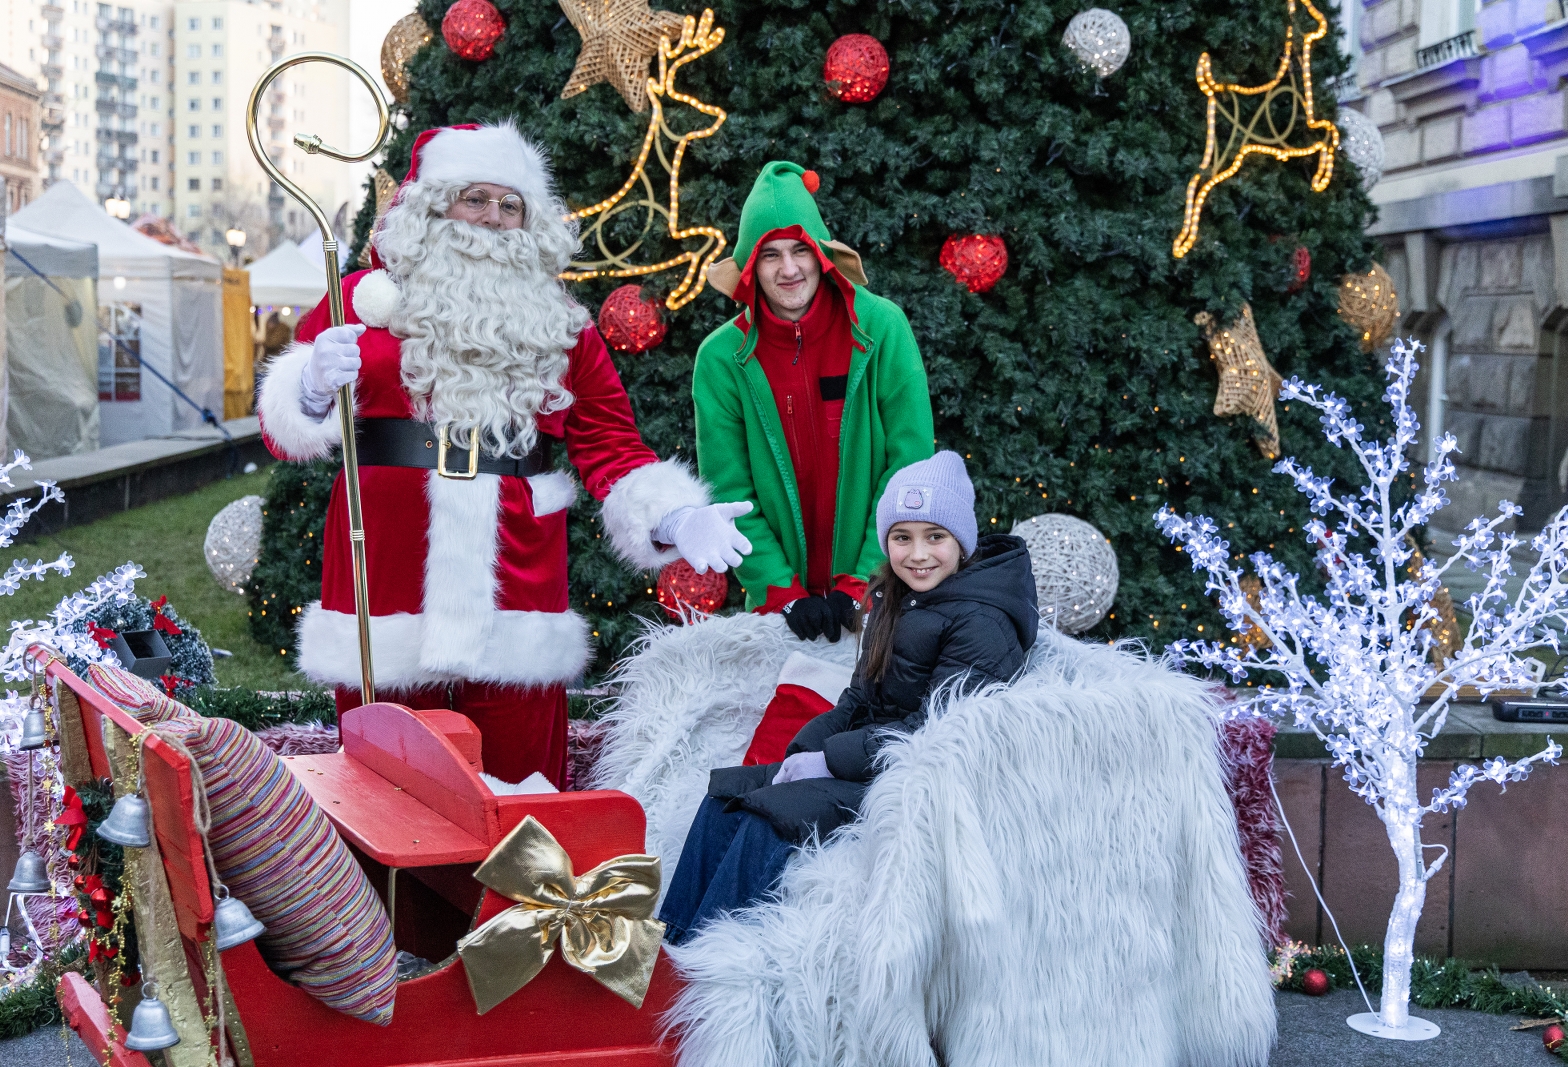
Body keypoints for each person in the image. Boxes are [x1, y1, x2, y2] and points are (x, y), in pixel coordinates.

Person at [257, 121, 751, 786]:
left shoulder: (560, 325)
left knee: (523, 792)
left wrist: (673, 516)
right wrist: (312, 385)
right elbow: (280, 428)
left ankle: (519, 897)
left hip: (516, 585)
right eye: (475, 198)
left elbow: (610, 447)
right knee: (391, 790)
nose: (493, 218)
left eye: (510, 204)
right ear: (436, 206)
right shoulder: (359, 303)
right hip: (386, 579)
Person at [659, 451, 1038, 943]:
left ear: (962, 542)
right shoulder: (895, 598)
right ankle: (674, 947)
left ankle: (712, 961)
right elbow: (858, 698)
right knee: (725, 796)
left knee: (768, 820)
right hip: (868, 762)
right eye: (903, 538)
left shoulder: (981, 620)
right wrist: (806, 751)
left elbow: (939, 735)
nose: (918, 554)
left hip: (922, 783)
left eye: (935, 537)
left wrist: (830, 764)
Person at [694, 161, 935, 643]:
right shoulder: (720, 358)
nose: (788, 269)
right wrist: (783, 592)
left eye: (800, 250)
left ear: (821, 255)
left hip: (885, 593)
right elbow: (730, 493)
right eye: (770, 255)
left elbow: (909, 465)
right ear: (749, 267)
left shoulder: (881, 327)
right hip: (782, 613)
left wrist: (863, 581)